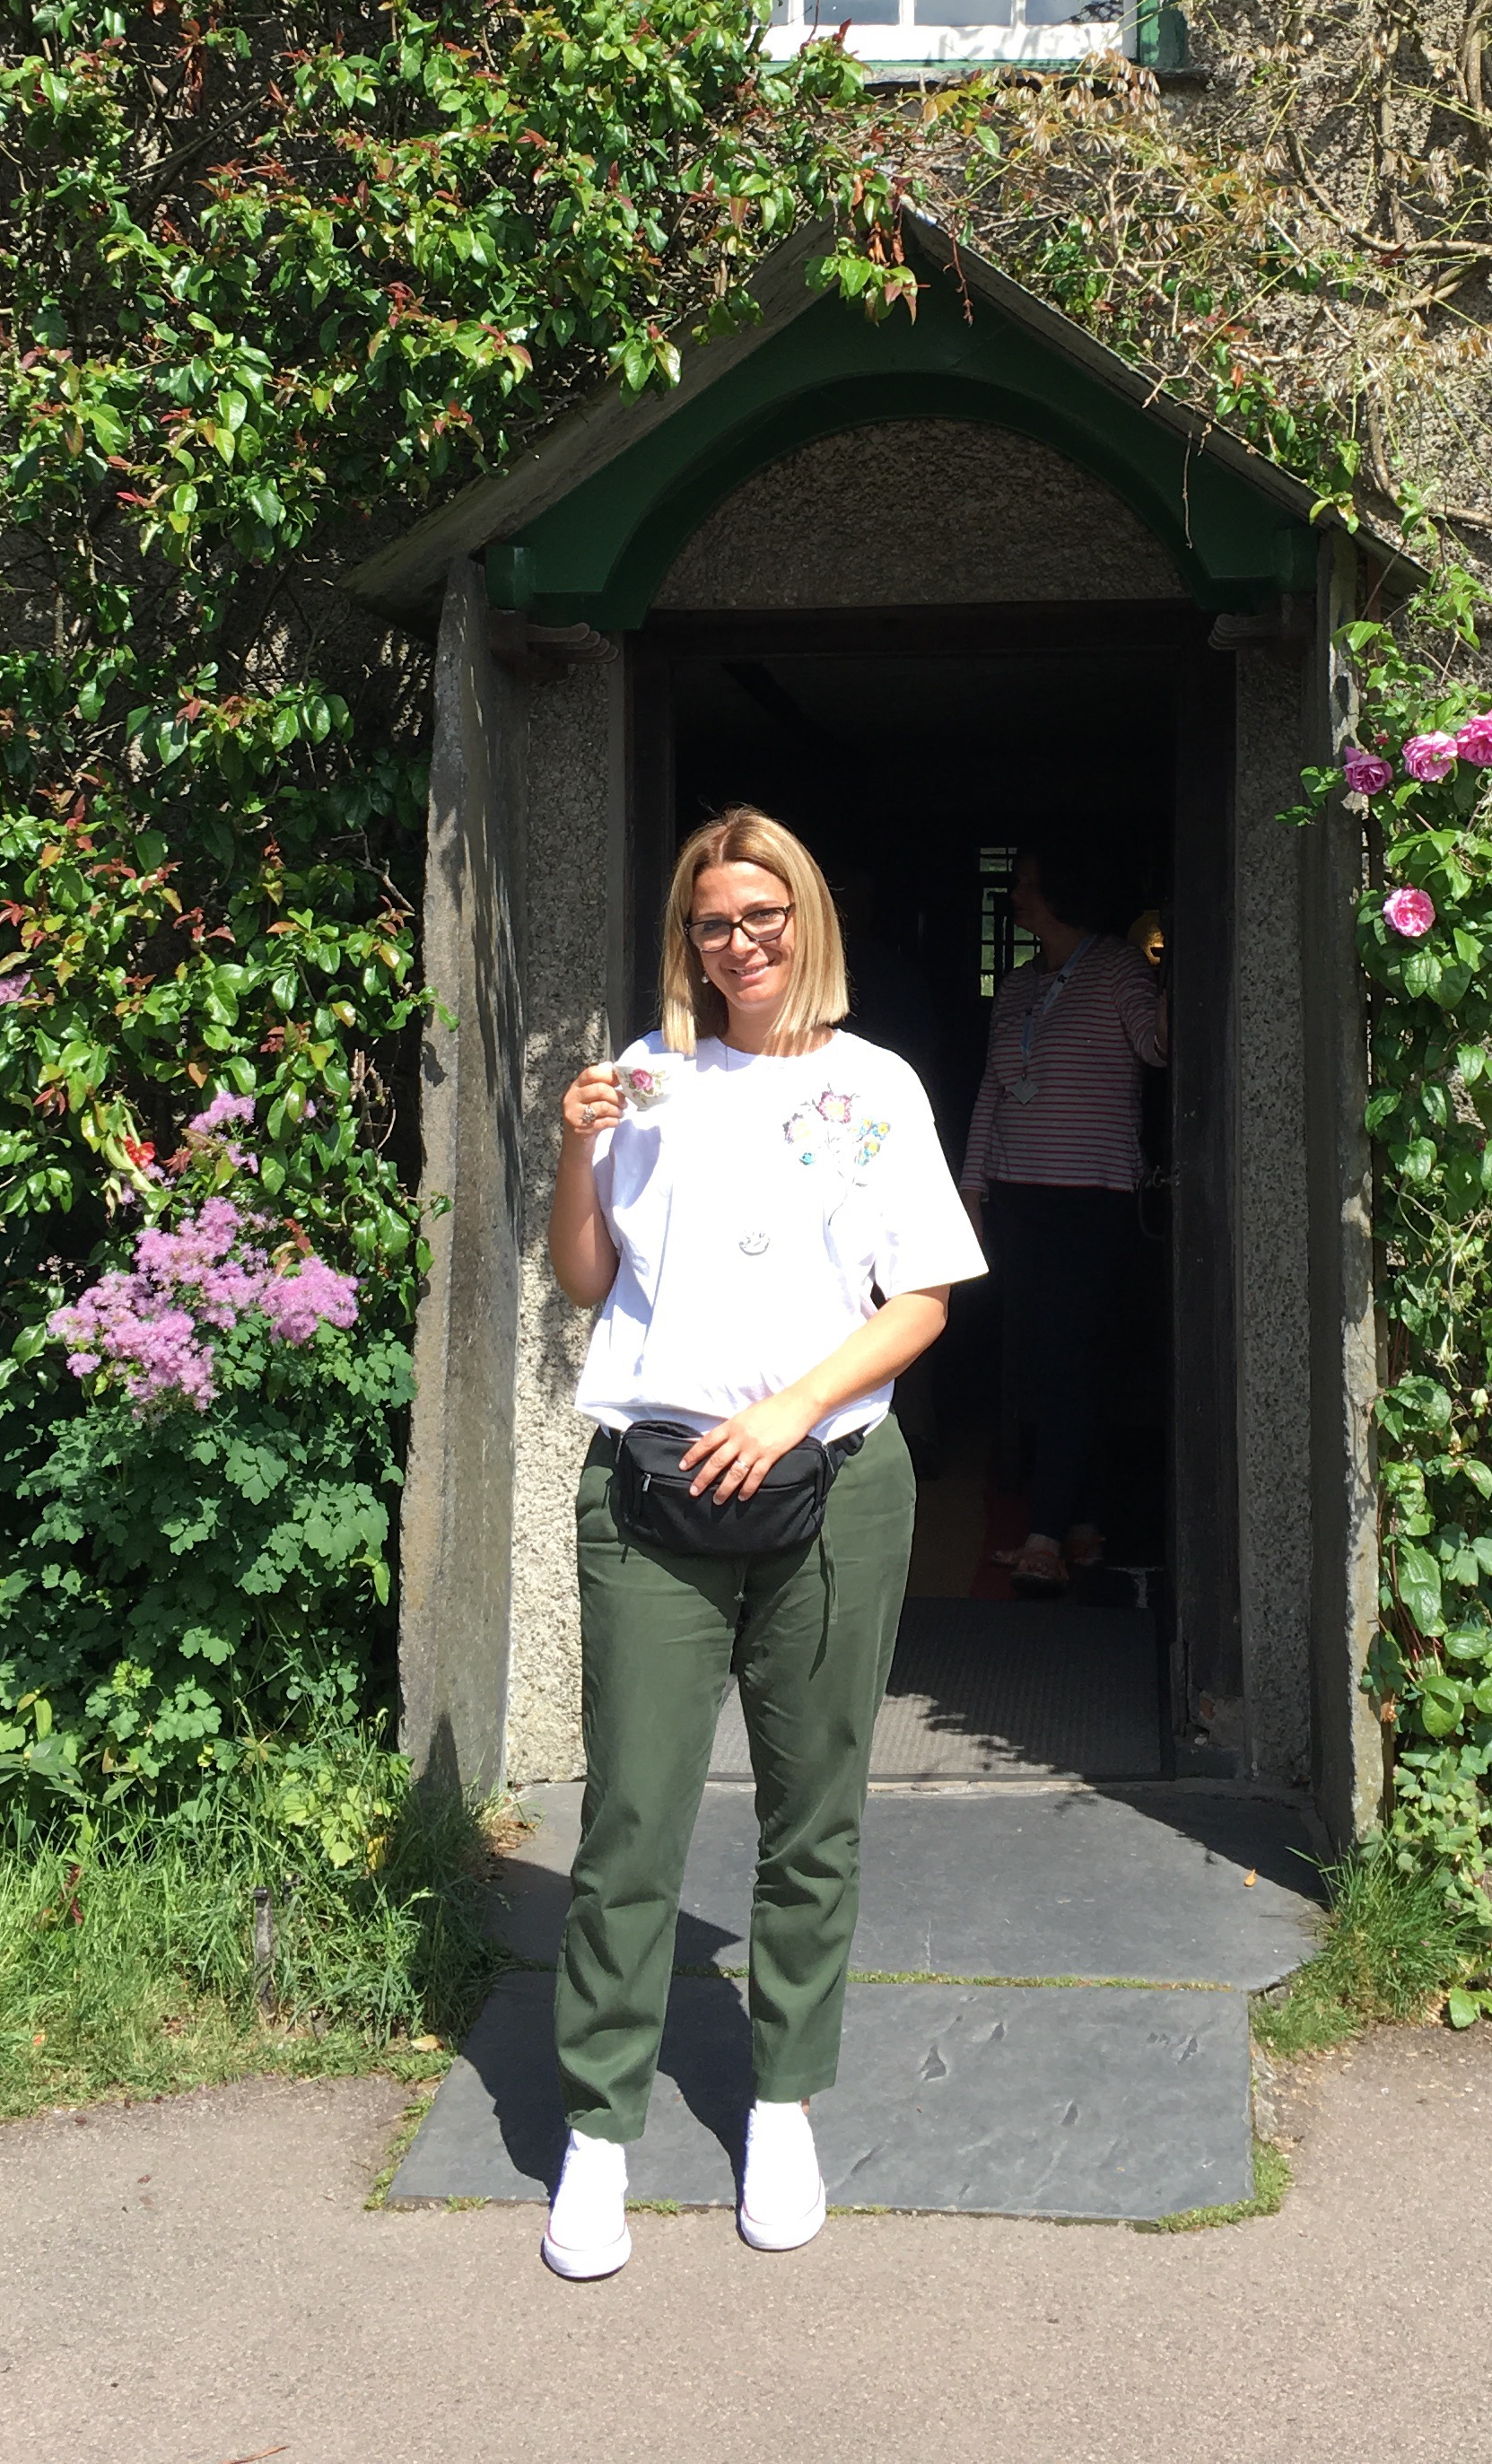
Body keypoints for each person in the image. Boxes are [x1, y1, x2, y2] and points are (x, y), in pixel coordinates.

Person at [537, 805, 987, 2283]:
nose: (737, 942)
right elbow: (583, 1277)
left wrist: (792, 1409)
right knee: (630, 1819)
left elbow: (921, 1297)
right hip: (651, 1486)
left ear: (806, 919)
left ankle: (782, 2101)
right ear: (687, 937)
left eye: (761, 914)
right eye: (711, 921)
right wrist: (574, 1148)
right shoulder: (646, 1078)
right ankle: (598, 2125)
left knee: (813, 1813)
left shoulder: (875, 1085)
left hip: (833, 1483)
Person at [958, 830, 1167, 1598]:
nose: (1015, 896)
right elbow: (991, 1089)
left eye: (1027, 883)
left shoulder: (1117, 967)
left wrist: (1180, 967)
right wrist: (971, 1191)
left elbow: (1158, 1050)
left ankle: (1045, 1535)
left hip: (1092, 1196)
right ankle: (1079, 1523)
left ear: (1063, 891)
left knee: (1071, 1362)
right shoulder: (1017, 984)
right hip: (1017, 1194)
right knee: (1044, 1362)